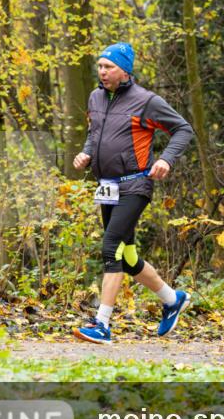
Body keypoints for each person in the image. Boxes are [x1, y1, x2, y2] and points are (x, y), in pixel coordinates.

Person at [71, 43, 194, 344]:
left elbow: (183, 129)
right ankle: (172, 299)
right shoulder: (95, 97)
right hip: (108, 187)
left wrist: (165, 159)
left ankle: (102, 323)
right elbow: (95, 133)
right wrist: (86, 154)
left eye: (108, 67)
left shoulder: (146, 101)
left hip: (135, 184)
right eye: (99, 66)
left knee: (110, 245)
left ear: (125, 71)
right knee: (127, 256)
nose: (102, 71)